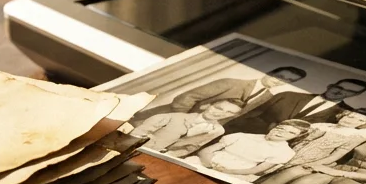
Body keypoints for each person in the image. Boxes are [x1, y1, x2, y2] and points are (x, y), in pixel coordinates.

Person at [255, 107, 366, 184]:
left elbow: (335, 156)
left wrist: (312, 164)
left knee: (273, 179)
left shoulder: (354, 137)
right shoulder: (321, 125)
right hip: (286, 153)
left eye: (358, 120)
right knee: (259, 171)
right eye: (350, 116)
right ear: (343, 115)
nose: (351, 120)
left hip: (309, 161)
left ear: (364, 125)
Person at [130, 66, 307, 123]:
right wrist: (181, 119)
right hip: (164, 117)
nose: (279, 81)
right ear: (269, 72)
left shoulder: (266, 97)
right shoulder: (231, 82)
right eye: (279, 76)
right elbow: (186, 97)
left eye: (287, 81)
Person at [224, 77, 366, 135]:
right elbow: (248, 116)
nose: (341, 92)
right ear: (331, 84)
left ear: (355, 96)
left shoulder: (346, 116)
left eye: (350, 91)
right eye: (339, 87)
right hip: (243, 135)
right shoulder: (289, 95)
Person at [186, 119, 312, 180]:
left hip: (240, 171)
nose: (282, 133)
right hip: (210, 161)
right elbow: (204, 151)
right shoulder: (241, 136)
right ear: (275, 126)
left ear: (296, 137)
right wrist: (210, 164)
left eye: (290, 133)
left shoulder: (285, 152)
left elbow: (256, 169)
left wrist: (228, 171)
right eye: (281, 128)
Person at [130, 98, 244, 156]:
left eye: (228, 113)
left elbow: (191, 147)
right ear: (207, 105)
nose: (219, 114)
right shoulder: (171, 117)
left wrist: (171, 155)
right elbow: (136, 134)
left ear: (233, 116)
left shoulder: (218, 130)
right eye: (218, 108)